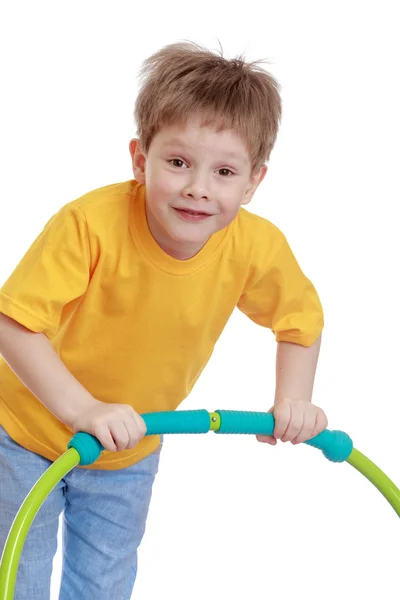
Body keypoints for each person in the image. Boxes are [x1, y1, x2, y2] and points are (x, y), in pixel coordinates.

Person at [0, 41, 327, 599]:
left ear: (253, 183)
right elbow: (13, 322)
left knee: (104, 582)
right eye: (178, 163)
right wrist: (83, 408)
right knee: (18, 578)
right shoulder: (89, 223)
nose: (198, 187)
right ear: (139, 158)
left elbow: (300, 321)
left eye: (224, 171)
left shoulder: (256, 246)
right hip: (25, 434)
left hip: (132, 448)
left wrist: (293, 397)